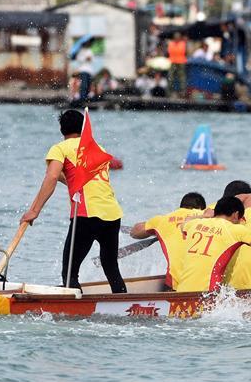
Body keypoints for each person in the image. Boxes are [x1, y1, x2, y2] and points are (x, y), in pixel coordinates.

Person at [20, 109, 127, 293]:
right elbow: (76, 177)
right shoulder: (97, 148)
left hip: (86, 215)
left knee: (70, 272)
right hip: (112, 214)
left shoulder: (60, 148)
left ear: (62, 130)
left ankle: (75, 317)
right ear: (83, 128)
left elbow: (52, 177)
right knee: (110, 267)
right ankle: (123, 304)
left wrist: (34, 211)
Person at [176, 196, 251, 292]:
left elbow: (186, 221)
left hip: (181, 291)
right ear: (235, 215)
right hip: (208, 296)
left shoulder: (195, 224)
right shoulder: (235, 229)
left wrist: (204, 216)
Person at [130, 192, 207, 289]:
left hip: (175, 286)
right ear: (201, 207)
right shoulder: (207, 217)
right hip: (205, 285)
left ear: (181, 207)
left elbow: (134, 232)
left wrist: (157, 230)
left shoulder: (163, 220)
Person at [167, 32, 188, 98]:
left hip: (181, 62)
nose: (177, 39)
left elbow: (183, 52)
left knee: (182, 78)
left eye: (178, 37)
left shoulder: (183, 43)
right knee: (171, 77)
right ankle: (169, 92)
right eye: (176, 37)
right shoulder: (171, 43)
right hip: (173, 62)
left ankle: (182, 92)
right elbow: (170, 52)